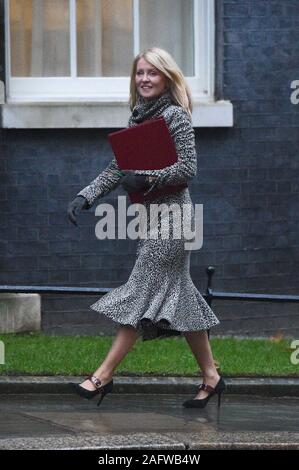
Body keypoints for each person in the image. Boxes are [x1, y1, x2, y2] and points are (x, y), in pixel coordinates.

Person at [67, 47, 225, 409]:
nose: (144, 79)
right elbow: (116, 169)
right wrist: (85, 197)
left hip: (174, 219)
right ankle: (212, 377)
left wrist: (147, 178)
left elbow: (187, 169)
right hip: (152, 218)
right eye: (139, 73)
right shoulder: (138, 119)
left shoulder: (175, 117)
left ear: (167, 78)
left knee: (140, 291)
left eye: (152, 73)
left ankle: (101, 377)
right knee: (180, 295)